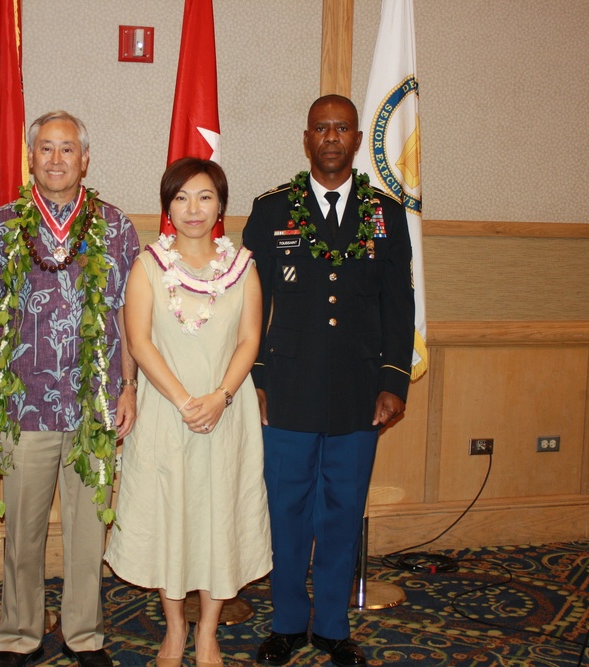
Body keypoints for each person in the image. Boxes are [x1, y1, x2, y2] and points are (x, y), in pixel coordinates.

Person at [242, 94, 416, 667]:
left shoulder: (385, 213)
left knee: (342, 510)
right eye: (322, 128)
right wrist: (256, 379)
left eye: (343, 128)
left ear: (358, 137)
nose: (333, 137)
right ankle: (288, 622)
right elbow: (250, 303)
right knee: (286, 509)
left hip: (358, 391)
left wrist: (393, 380)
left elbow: (399, 303)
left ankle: (334, 627)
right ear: (307, 138)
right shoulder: (271, 211)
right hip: (286, 389)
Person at [0, 110, 140, 667]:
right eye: (46, 148)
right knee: (21, 532)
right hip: (21, 404)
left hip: (94, 404)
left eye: (68, 149)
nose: (57, 159)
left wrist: (129, 387)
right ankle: (19, 635)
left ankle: (83, 635)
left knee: (88, 530)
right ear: (31, 156)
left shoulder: (116, 227)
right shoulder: (1, 224)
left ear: (85, 158)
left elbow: (127, 317)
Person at [104, 158, 272, 667]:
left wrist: (219, 397)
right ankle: (175, 629)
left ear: (221, 204)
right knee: (170, 517)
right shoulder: (149, 264)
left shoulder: (243, 265)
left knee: (221, 516)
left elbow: (250, 339)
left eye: (204, 197)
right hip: (166, 411)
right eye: (181, 198)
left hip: (227, 410)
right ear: (167, 206)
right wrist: (183, 401)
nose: (193, 209)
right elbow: (138, 340)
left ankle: (208, 633)